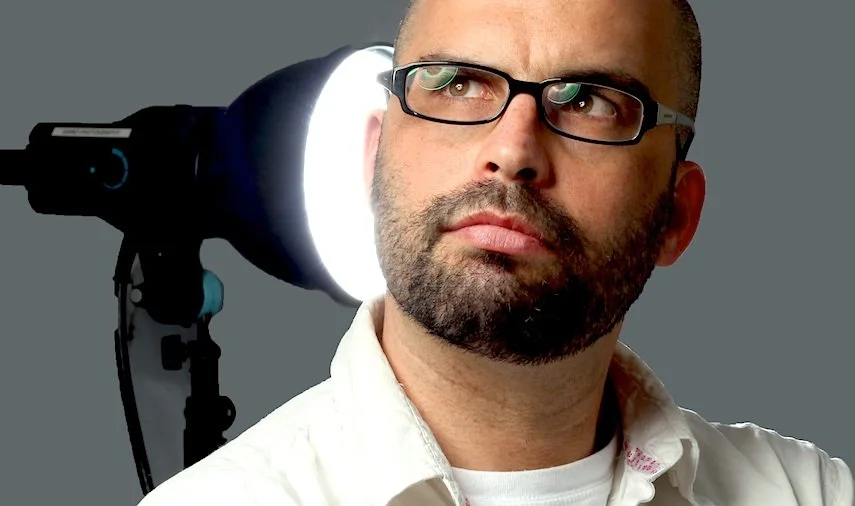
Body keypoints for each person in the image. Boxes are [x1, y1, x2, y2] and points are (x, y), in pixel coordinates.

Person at [137, 0, 853, 504]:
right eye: (455, 85)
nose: (511, 152)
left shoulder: (806, 495)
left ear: (675, 214)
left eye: (590, 101)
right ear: (372, 158)